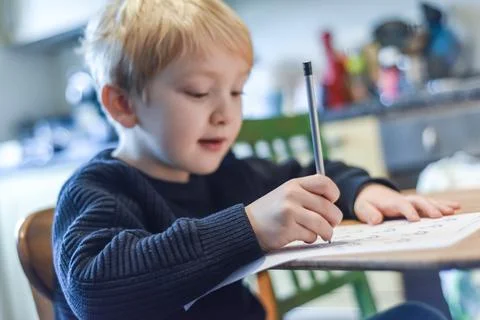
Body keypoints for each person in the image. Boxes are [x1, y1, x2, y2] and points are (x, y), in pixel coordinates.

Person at [52, 0, 460, 319]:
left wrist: (359, 190)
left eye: (237, 92)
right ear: (123, 103)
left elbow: (303, 176)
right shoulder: (98, 190)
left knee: (417, 314)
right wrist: (247, 227)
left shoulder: (228, 173)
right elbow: (94, 288)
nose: (226, 114)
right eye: (198, 92)